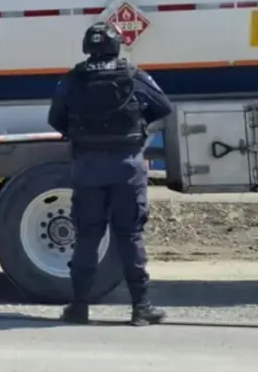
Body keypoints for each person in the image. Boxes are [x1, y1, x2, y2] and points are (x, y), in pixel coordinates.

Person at [46, 21, 174, 326]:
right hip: (126, 166)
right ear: (116, 45)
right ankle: (140, 308)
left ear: (87, 46)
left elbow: (56, 118)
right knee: (129, 234)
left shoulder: (73, 79)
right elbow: (163, 106)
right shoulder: (133, 75)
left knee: (88, 236)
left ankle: (79, 307)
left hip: (87, 166)